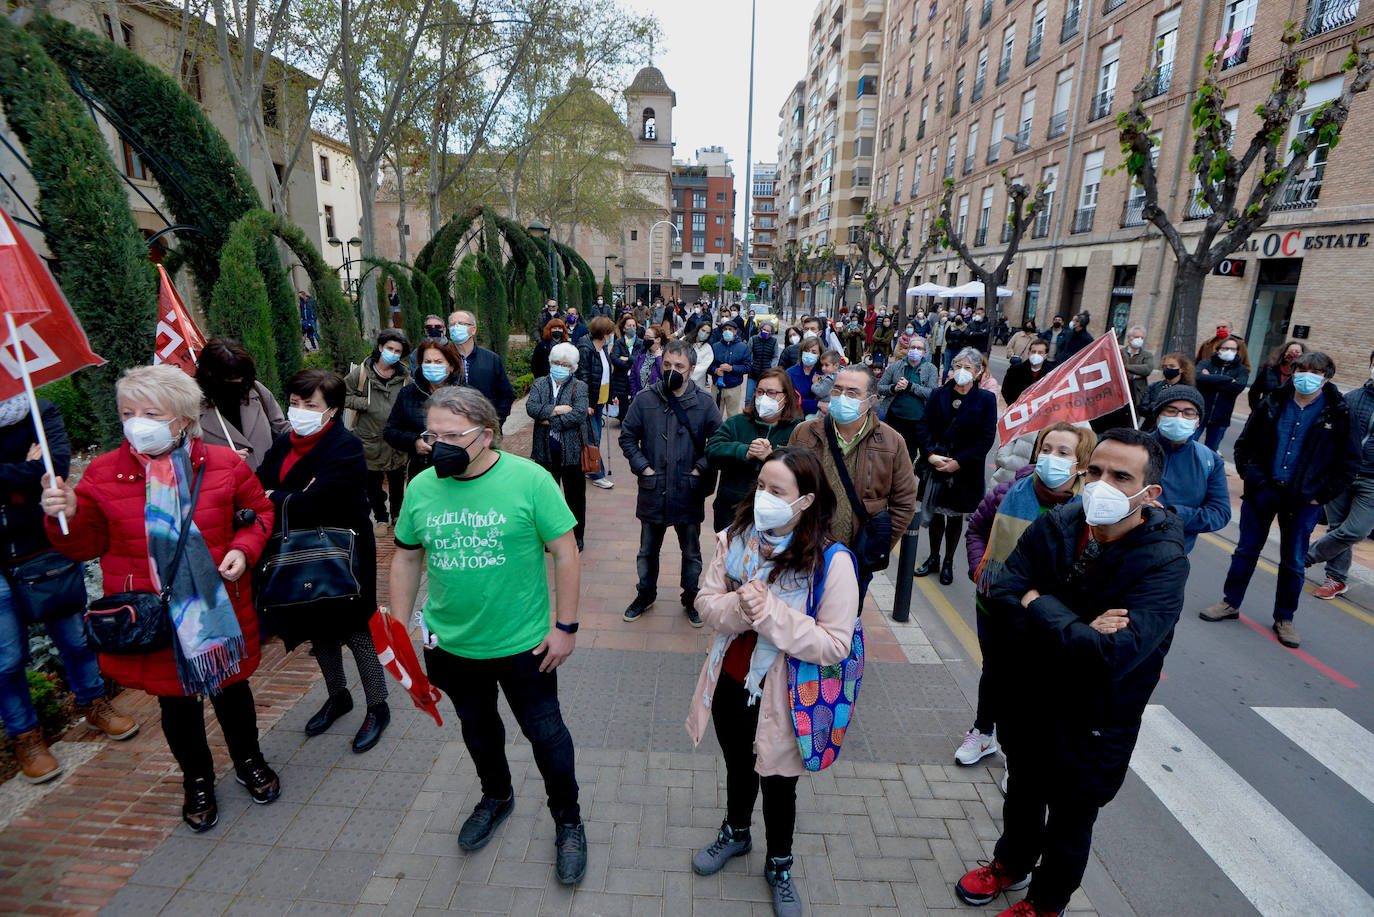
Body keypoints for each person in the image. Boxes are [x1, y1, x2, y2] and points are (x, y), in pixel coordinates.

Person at [959, 429, 1186, 917]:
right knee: (1021, 794)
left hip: (1094, 717)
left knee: (1069, 819)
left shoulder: (1163, 560)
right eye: (1097, 471)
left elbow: (1114, 655)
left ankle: (1045, 903)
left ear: (1150, 494)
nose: (1102, 484)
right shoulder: (1063, 519)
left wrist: (1040, 605)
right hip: (1030, 694)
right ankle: (1010, 865)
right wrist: (1081, 626)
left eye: (1121, 476)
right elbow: (1002, 587)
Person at [42, 365, 278, 831]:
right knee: (176, 705)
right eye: (128, 412)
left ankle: (250, 761)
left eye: (151, 412)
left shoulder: (224, 463)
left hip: (217, 610)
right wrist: (64, 515)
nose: (137, 422)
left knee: (232, 693)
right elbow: (85, 546)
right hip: (154, 615)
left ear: (184, 419)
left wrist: (242, 549)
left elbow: (259, 514)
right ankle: (198, 781)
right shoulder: (104, 473)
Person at [388, 386, 587, 883]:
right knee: (477, 730)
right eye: (432, 435)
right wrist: (397, 627)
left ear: (487, 434)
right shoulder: (422, 487)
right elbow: (408, 555)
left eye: (453, 435)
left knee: (546, 735)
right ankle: (496, 795)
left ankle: (569, 820)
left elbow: (565, 552)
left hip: (525, 645)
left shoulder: (530, 480)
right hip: (451, 647)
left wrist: (565, 627)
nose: (440, 446)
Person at [687, 446, 859, 916]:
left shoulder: (832, 562)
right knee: (738, 766)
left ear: (804, 501)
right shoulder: (735, 537)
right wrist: (739, 608)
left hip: (785, 697)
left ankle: (779, 862)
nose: (763, 496)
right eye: (761, 486)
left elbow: (835, 644)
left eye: (777, 490)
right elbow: (706, 602)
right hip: (730, 680)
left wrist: (772, 615)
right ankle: (736, 833)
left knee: (780, 783)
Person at [2, 394, 138, 784]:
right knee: (6, 660)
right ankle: (26, 738)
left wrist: (31, 473)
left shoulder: (40, 411)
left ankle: (94, 703)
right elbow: (31, 476)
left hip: (42, 547)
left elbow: (53, 469)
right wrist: (22, 472)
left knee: (76, 640)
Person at [257, 370, 389, 753]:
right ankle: (338, 695)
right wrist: (287, 495)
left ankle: (377, 705)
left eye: (309, 405)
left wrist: (278, 496)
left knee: (355, 628)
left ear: (331, 410)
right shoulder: (284, 443)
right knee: (318, 627)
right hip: (298, 551)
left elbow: (318, 502)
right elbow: (261, 486)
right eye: (295, 404)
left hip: (342, 552)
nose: (299, 411)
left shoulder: (344, 446)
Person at [959, 422, 1095, 770]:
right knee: (995, 671)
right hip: (993, 603)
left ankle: (1018, 760)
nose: (1051, 458)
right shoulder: (1009, 491)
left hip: (1045, 613)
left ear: (1081, 463)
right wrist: (980, 568)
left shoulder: (1090, 509)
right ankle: (983, 731)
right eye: (1046, 449)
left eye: (1063, 453)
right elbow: (976, 528)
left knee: (1032, 683)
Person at [1199, 352, 1356, 648]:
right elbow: (1245, 443)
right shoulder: (1273, 401)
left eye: (1315, 371)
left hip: (1304, 500)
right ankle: (1229, 603)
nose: (1307, 376)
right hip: (1264, 491)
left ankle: (1285, 618)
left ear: (1326, 377)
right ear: (1294, 371)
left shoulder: (1339, 412)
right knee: (1245, 551)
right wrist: (1251, 476)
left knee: (1294, 562)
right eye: (1302, 369)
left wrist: (1320, 495)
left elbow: (1348, 462)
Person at [788, 366, 919, 605]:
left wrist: (876, 546)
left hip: (855, 558)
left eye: (852, 392)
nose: (842, 397)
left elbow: (905, 502)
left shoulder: (892, 442)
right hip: (804, 550)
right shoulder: (804, 433)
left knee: (842, 625)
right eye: (837, 390)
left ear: (870, 401)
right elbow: (788, 487)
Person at [620, 341, 723, 625]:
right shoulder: (645, 399)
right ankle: (646, 593)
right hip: (653, 489)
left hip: (687, 490)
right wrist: (644, 468)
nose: (672, 371)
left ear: (691, 369)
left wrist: (700, 469)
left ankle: (691, 597)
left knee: (691, 551)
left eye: (678, 366)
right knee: (647, 549)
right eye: (667, 365)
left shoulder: (704, 402)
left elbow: (718, 440)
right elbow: (627, 437)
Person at [913, 348, 999, 586]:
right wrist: (930, 456)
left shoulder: (985, 400)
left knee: (954, 519)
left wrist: (959, 462)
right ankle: (933, 557)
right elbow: (924, 426)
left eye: (968, 367)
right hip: (937, 465)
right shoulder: (939, 394)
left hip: (965, 469)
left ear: (978, 372)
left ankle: (948, 562)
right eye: (958, 366)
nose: (961, 372)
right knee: (936, 513)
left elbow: (986, 438)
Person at [1306, 350, 1374, 599]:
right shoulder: (1353, 398)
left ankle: (1306, 556)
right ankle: (1336, 579)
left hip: (1372, 480)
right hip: (1342, 473)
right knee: (1336, 526)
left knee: (1356, 531)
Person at [706, 369, 803, 532]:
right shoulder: (737, 423)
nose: (764, 397)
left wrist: (771, 458)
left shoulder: (797, 429)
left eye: (771, 393)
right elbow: (712, 449)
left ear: (785, 397)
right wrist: (745, 451)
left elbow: (803, 468)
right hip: (733, 511)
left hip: (776, 517)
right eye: (760, 391)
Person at [1149, 386, 1231, 553]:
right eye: (1171, 411)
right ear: (1158, 416)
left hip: (1173, 557)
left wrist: (1173, 514)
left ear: (1198, 421)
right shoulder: (1132, 448)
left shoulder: (1209, 461)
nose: (1179, 417)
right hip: (1125, 549)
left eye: (1188, 413)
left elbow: (1220, 513)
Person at [345, 330, 412, 536]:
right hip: (369, 438)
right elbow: (342, 395)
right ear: (381, 347)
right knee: (372, 482)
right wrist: (364, 403)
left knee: (397, 479)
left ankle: (397, 514)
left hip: (395, 438)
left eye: (397, 351)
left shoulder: (405, 376)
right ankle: (381, 517)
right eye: (389, 348)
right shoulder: (362, 373)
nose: (392, 353)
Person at [528, 343, 591, 552]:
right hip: (545, 451)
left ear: (572, 367)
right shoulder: (540, 384)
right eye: (556, 363)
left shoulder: (579, 386)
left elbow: (579, 414)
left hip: (572, 452)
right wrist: (557, 410)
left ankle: (577, 535)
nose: (560, 367)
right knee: (547, 497)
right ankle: (549, 536)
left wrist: (548, 419)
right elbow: (531, 408)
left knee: (575, 497)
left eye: (565, 364)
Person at [195, 338, 288, 472]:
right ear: (210, 376)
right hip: (227, 487)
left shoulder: (256, 390)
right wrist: (218, 458)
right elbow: (184, 455)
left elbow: (280, 428)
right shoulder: (189, 406)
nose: (238, 383)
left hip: (269, 484)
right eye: (230, 379)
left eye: (242, 377)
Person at [385, 340, 464, 480]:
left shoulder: (466, 395)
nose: (432, 366)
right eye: (427, 361)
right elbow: (390, 432)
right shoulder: (407, 394)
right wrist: (414, 441)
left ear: (451, 366)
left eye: (438, 362)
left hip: (459, 470)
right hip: (421, 470)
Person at [448, 310, 516, 428]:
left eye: (461, 324)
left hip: (486, 429)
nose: (456, 327)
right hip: (451, 430)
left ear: (473, 329)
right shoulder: (442, 358)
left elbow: (506, 395)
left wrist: (496, 422)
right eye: (453, 324)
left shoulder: (491, 359)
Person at [878, 336, 939, 461]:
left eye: (919, 348)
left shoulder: (931, 369)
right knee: (889, 450)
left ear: (924, 352)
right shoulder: (895, 366)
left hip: (917, 419)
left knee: (909, 453)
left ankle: (904, 476)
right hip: (894, 416)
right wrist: (893, 388)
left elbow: (932, 393)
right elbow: (880, 387)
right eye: (913, 347)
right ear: (908, 349)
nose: (915, 350)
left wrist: (910, 386)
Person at [577, 316, 617, 490]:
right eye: (610, 332)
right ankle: (597, 474)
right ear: (604, 334)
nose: (612, 335)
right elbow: (584, 377)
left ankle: (589, 466)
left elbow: (607, 373)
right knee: (594, 437)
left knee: (595, 436)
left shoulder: (603, 348)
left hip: (601, 398)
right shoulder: (586, 349)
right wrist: (586, 403)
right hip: (590, 402)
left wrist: (611, 395)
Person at [1195, 334, 1250, 450]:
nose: (1228, 351)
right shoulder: (1205, 363)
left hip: (1221, 417)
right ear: (1219, 349)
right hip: (1199, 413)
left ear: (1237, 351)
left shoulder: (1241, 370)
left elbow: (1238, 387)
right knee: (1188, 445)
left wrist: (1210, 379)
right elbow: (1199, 378)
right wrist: (1228, 380)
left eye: (1232, 349)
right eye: (1225, 348)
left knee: (1211, 451)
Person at [1248, 340, 1306, 410]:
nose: (1293, 354)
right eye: (1290, 351)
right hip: (1265, 413)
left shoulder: (1304, 375)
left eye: (1297, 352)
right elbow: (1254, 391)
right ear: (1284, 353)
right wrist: (1257, 407)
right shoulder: (1270, 370)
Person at [710, 321, 751, 419]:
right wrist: (715, 370)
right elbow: (708, 365)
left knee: (732, 416)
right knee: (714, 415)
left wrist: (732, 368)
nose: (727, 331)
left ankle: (731, 434)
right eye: (725, 329)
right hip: (717, 387)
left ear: (735, 331)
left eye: (730, 329)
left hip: (733, 388)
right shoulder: (715, 346)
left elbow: (747, 367)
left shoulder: (743, 347)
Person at [1143, 353, 1196, 423]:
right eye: (1165, 366)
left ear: (1182, 369)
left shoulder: (1187, 391)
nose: (1167, 369)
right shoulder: (1154, 386)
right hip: (1149, 425)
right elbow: (1143, 408)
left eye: (1172, 366)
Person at [1001, 338, 1053, 405]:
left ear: (1045, 355)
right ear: (1029, 353)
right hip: (1018, 409)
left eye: (1040, 352)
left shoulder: (1051, 372)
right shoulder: (1015, 370)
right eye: (1033, 352)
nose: (1036, 355)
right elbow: (1006, 390)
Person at [610, 314, 643, 412]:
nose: (632, 328)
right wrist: (630, 363)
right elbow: (615, 359)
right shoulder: (619, 342)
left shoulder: (640, 343)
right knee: (623, 402)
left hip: (636, 377)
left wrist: (627, 358)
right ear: (624, 328)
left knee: (636, 402)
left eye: (634, 326)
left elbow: (640, 359)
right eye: (629, 326)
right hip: (621, 378)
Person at [786, 337, 824, 417]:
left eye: (814, 352)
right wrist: (817, 404)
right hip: (795, 417)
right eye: (806, 351)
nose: (809, 354)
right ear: (801, 352)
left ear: (819, 355)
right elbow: (790, 400)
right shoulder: (790, 373)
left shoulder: (823, 373)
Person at [630, 323, 666, 402]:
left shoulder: (666, 356)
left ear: (658, 340)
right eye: (645, 337)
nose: (645, 339)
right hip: (640, 399)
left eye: (648, 337)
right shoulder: (641, 354)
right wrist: (634, 396)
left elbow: (664, 376)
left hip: (657, 402)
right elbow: (633, 376)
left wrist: (658, 358)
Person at [746, 321, 779, 402]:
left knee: (763, 398)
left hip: (766, 375)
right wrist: (750, 365)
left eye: (768, 331)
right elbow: (747, 354)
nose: (765, 332)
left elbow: (775, 356)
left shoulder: (774, 341)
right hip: (753, 373)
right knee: (749, 398)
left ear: (771, 332)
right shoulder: (753, 339)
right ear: (760, 329)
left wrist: (771, 368)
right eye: (764, 329)